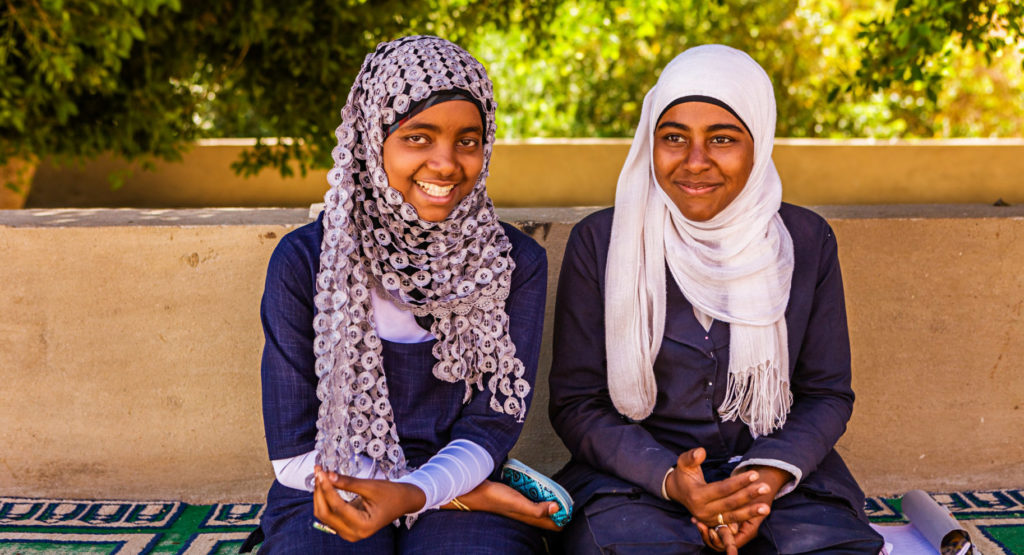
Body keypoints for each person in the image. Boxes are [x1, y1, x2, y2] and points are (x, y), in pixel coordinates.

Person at [548, 44, 885, 554]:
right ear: (650, 143)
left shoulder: (806, 241)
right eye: (674, 138)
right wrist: (670, 478)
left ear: (759, 143)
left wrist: (763, 479)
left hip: (781, 487)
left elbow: (826, 393)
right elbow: (578, 404)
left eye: (722, 139)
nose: (695, 162)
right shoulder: (603, 242)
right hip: (638, 487)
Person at [249, 35, 555, 554]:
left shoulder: (513, 264)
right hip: (327, 488)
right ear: (372, 140)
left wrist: (418, 494)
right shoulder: (306, 263)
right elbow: (295, 452)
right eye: (418, 137)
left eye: (468, 139)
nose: (446, 164)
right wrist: (457, 496)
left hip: (458, 479)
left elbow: (491, 424)